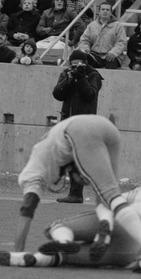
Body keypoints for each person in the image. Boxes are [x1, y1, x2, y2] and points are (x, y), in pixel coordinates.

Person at [0, 114, 141, 272]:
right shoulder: (59, 155)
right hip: (108, 128)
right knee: (109, 193)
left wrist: (18, 249)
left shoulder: (36, 166)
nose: (82, 182)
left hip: (78, 130)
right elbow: (103, 199)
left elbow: (27, 208)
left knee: (109, 195)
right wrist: (104, 233)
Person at [0, 185, 141, 270]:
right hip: (131, 251)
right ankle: (32, 259)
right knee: (65, 258)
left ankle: (64, 240)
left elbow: (113, 200)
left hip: (124, 220)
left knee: (58, 226)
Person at [51, 50, 104, 203]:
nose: (75, 67)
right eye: (73, 64)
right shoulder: (67, 73)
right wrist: (69, 79)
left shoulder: (93, 75)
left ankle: (76, 193)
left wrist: (81, 78)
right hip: (68, 120)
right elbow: (57, 94)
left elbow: (90, 95)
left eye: (78, 64)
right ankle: (74, 192)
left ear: (85, 63)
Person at [76, 1, 127, 69]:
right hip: (95, 55)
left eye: (107, 10)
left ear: (111, 13)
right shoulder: (92, 25)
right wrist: (86, 49)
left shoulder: (118, 26)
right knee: (85, 62)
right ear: (99, 12)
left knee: (111, 63)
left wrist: (113, 53)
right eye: (103, 9)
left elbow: (121, 42)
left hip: (112, 56)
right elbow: (84, 40)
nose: (105, 11)